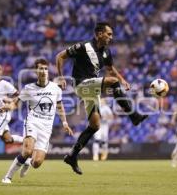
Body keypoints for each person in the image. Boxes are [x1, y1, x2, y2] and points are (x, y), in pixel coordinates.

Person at [56, 22, 148, 175]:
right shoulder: (83, 46)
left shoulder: (106, 51)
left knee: (95, 125)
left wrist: (122, 79)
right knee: (111, 82)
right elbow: (60, 56)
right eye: (108, 34)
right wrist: (60, 77)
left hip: (91, 89)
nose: (111, 37)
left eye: (111, 34)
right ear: (99, 34)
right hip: (81, 84)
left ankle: (72, 156)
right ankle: (134, 116)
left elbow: (111, 69)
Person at [1, 59, 73, 184]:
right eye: (41, 68)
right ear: (36, 71)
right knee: (27, 151)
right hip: (33, 121)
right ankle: (8, 176)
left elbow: (60, 106)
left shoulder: (55, 88)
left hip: (46, 127)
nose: (44, 71)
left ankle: (28, 162)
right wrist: (9, 107)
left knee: (37, 163)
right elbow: (16, 103)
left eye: (45, 68)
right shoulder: (29, 88)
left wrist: (65, 123)